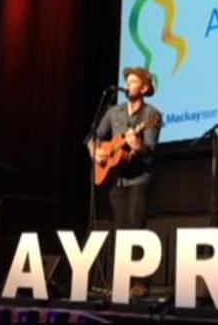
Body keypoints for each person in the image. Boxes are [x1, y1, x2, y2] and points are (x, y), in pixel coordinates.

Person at [91, 66, 162, 298]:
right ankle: (122, 280)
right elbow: (92, 138)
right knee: (121, 231)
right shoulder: (114, 112)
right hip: (116, 181)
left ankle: (141, 282)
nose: (128, 85)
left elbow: (150, 150)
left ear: (143, 88)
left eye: (133, 81)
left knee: (136, 229)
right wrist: (97, 153)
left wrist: (137, 145)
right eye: (128, 81)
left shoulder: (152, 115)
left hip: (139, 179)